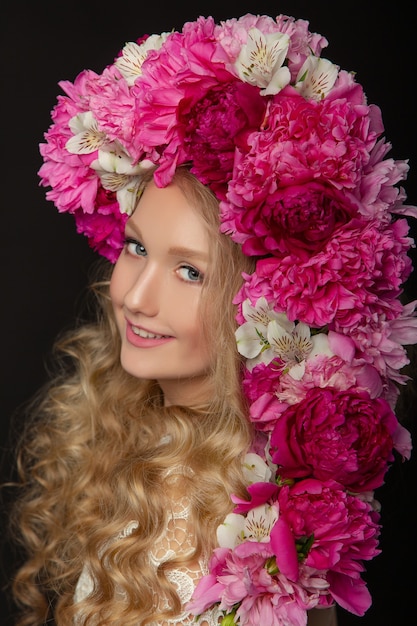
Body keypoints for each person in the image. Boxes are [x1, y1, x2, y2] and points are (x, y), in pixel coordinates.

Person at [7, 11, 417, 626]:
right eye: (137, 248)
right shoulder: (121, 429)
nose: (138, 298)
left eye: (191, 272)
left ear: (266, 302)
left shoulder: (271, 531)